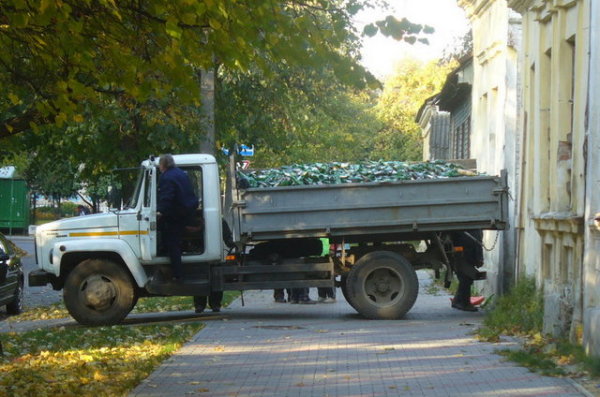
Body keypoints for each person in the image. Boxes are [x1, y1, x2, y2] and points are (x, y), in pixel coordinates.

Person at [156, 154, 199, 281]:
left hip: (176, 214)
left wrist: (160, 212)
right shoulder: (181, 173)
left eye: (160, 165)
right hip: (187, 212)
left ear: (163, 165)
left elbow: (167, 196)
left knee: (171, 243)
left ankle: (178, 274)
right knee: (174, 240)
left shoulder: (166, 177)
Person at [450, 230, 483, 312]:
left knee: (465, 278)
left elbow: (477, 242)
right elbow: (477, 242)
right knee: (466, 278)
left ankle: (458, 301)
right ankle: (464, 303)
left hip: (465, 253)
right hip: (465, 253)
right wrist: (479, 258)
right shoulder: (474, 229)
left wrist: (479, 258)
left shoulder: (472, 229)